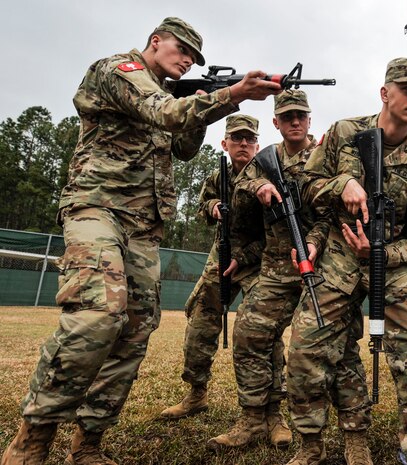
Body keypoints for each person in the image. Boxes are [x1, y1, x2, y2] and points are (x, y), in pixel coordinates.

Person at [1, 17, 281, 465]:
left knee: (135, 328)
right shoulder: (120, 71)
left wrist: (205, 102)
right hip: (97, 210)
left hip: (143, 226)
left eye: (194, 56)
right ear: (156, 42)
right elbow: (163, 113)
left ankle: (88, 442)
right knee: (98, 315)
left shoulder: (170, 94)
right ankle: (32, 440)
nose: (187, 59)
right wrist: (230, 95)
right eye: (181, 49)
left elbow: (185, 146)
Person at [285, 58, 407, 465]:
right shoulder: (345, 133)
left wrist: (382, 253)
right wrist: (343, 183)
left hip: (391, 265)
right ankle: (311, 444)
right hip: (339, 256)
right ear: (385, 93)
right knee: (306, 347)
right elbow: (305, 186)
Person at [207, 90, 330, 450]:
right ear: (276, 122)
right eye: (287, 116)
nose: (294, 122)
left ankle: (288, 420)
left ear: (309, 119)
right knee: (249, 335)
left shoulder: (324, 156)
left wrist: (316, 242)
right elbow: (240, 183)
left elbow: (329, 215)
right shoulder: (264, 159)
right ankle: (254, 418)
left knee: (312, 348)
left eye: (300, 116)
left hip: (318, 267)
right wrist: (258, 182)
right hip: (275, 270)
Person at [159, 114, 265, 420]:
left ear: (257, 145)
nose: (243, 144)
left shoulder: (268, 175)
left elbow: (276, 233)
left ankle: (268, 409)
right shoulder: (219, 175)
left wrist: (243, 257)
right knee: (200, 322)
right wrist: (213, 206)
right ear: (225, 143)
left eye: (249, 139)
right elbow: (202, 206)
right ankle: (196, 393)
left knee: (260, 330)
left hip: (258, 260)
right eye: (236, 138)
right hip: (220, 257)